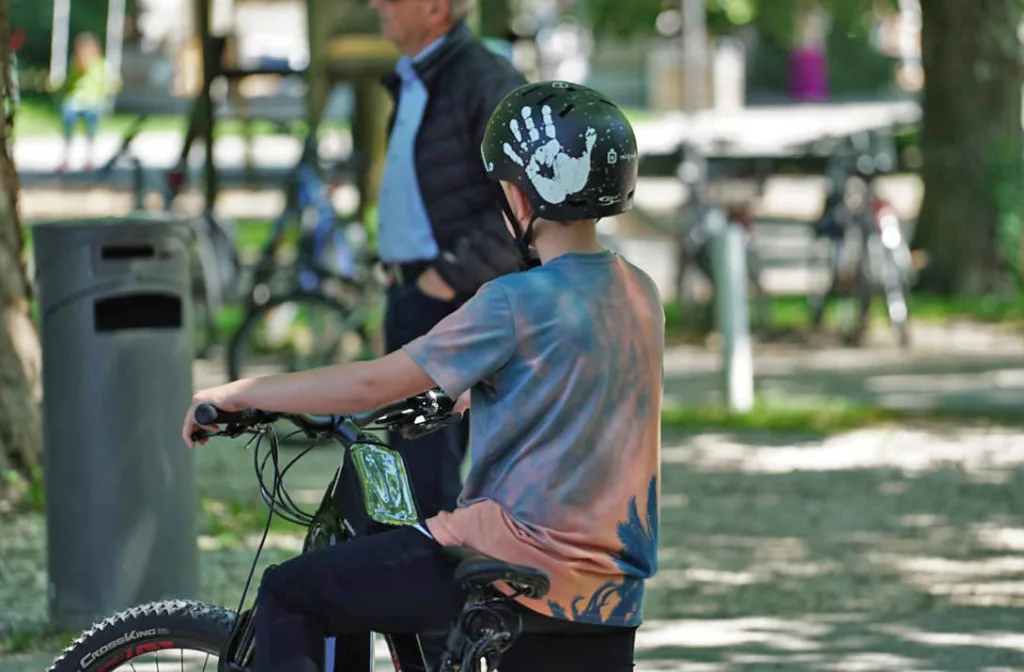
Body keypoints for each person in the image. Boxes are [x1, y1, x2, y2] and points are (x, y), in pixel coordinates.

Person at [183, 81, 663, 672]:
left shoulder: (513, 302)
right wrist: (469, 397)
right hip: (607, 589)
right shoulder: (641, 295)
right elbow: (581, 389)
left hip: (514, 558)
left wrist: (240, 393)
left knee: (291, 592)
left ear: (520, 196)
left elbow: (372, 385)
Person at [369, 0, 527, 524]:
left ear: (436, 7)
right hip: (420, 293)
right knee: (408, 472)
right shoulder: (423, 74)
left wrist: (445, 278)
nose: (375, 5)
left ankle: (437, 599)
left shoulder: (483, 78)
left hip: (454, 297)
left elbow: (523, 205)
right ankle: (417, 590)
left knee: (427, 476)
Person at [52, 32, 119, 172]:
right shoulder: (75, 65)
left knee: (91, 118)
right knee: (68, 113)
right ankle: (66, 157)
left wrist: (110, 87)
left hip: (93, 101)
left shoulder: (101, 64)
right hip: (75, 100)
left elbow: (109, 83)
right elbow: (68, 84)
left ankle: (89, 157)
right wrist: (56, 88)